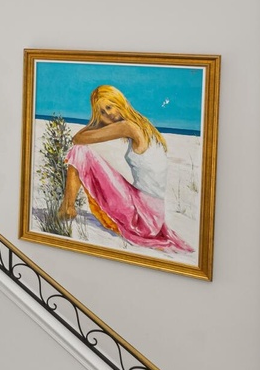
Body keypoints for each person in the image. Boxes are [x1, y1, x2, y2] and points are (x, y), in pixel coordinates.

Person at [59, 84, 193, 253]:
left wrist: (97, 122)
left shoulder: (128, 127)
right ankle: (68, 207)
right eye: (102, 112)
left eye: (109, 107)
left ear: (119, 102)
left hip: (142, 219)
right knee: (84, 153)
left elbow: (78, 139)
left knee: (79, 151)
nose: (108, 114)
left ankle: (67, 207)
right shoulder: (143, 125)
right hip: (154, 217)